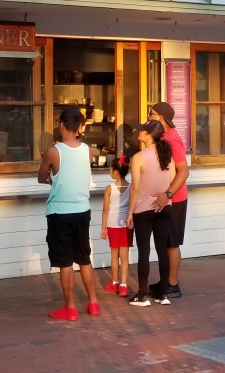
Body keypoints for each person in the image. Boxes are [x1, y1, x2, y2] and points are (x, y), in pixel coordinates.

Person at [37, 108, 99, 320]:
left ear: (61, 124)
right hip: (82, 210)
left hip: (60, 212)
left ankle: (70, 308)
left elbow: (41, 176)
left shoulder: (54, 151)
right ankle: (93, 303)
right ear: (79, 127)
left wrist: (52, 178)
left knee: (65, 262)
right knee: (84, 258)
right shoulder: (87, 149)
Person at [127, 120, 175, 307]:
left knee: (144, 252)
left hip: (144, 209)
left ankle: (142, 294)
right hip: (164, 207)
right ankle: (163, 294)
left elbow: (135, 188)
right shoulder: (166, 155)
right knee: (162, 250)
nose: (139, 133)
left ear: (148, 135)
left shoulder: (139, 157)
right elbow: (171, 181)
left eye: (142, 131)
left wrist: (130, 212)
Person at [147, 102, 189, 299]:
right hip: (166, 199)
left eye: (152, 113)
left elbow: (184, 171)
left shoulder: (172, 139)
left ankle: (173, 285)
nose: (149, 116)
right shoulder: (163, 137)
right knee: (164, 242)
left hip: (175, 199)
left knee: (172, 242)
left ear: (162, 117)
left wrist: (168, 194)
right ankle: (166, 281)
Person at [100, 155, 133, 298]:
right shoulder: (132, 187)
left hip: (112, 224)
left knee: (114, 255)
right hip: (126, 223)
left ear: (115, 172)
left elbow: (105, 209)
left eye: (110, 169)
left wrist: (103, 228)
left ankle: (115, 283)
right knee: (124, 256)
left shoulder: (109, 188)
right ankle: (124, 287)